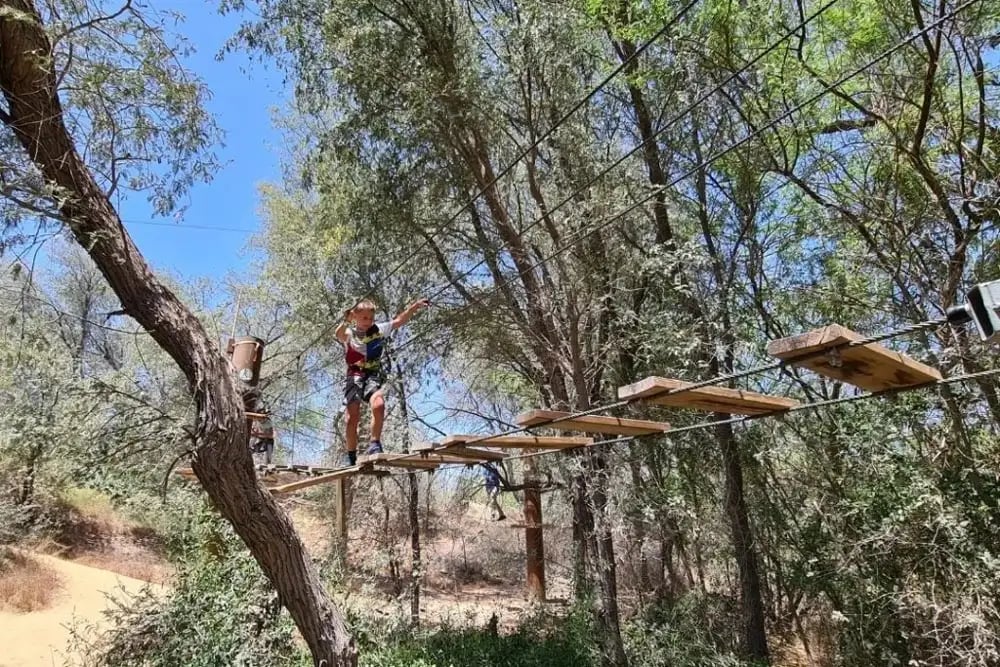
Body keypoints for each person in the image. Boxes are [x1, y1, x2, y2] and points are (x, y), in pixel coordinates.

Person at [335, 298, 429, 466]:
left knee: (378, 404)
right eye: (363, 318)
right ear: (355, 317)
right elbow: (339, 334)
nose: (368, 322)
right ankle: (350, 455)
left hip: (372, 375)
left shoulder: (378, 329)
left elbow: (399, 320)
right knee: (352, 417)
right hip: (354, 375)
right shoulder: (350, 333)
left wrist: (413, 308)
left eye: (370, 318)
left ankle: (375, 443)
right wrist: (345, 321)